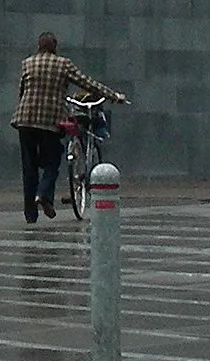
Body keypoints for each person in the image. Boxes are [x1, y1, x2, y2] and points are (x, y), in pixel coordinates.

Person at [10, 32, 128, 223]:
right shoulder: (63, 64)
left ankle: (30, 215)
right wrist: (114, 95)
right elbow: (87, 83)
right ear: (55, 47)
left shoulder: (28, 63)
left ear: (38, 46)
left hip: (25, 119)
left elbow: (22, 91)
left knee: (29, 167)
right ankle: (43, 194)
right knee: (53, 160)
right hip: (50, 121)